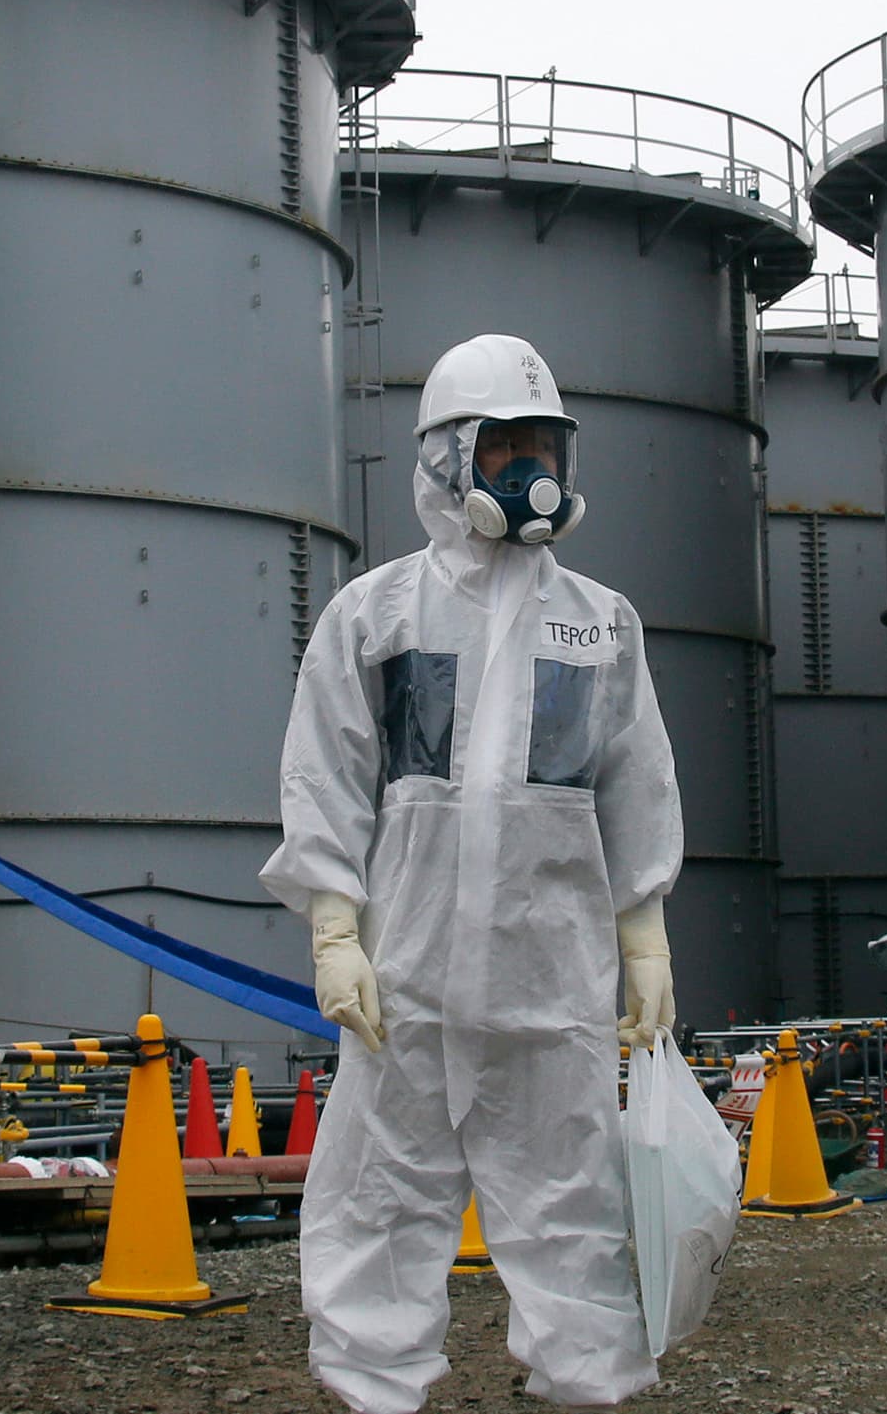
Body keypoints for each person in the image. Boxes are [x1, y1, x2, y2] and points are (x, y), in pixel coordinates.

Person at [263, 333, 685, 1411]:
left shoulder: (599, 623)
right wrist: (334, 929)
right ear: (447, 458)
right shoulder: (379, 614)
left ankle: (586, 1382)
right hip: (405, 977)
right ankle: (372, 1385)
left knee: (571, 1194)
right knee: (378, 1193)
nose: (529, 471)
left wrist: (643, 931)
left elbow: (635, 780)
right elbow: (325, 774)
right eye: (504, 447)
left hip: (552, 977)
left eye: (545, 447)